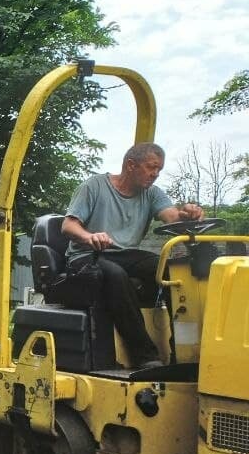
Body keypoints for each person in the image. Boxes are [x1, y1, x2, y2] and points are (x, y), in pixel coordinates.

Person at [61, 142, 203, 369]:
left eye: (159, 169)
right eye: (151, 167)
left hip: (126, 255)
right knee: (116, 275)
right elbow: (68, 226)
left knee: (169, 268)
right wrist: (90, 237)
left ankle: (184, 353)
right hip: (87, 255)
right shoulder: (94, 186)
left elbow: (171, 217)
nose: (155, 174)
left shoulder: (151, 194)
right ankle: (145, 355)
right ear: (130, 165)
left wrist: (188, 214)